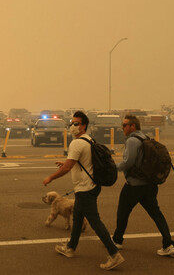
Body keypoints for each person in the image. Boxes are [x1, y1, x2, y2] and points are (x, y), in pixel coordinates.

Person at [43, 111, 124, 270]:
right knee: (77, 218)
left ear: (84, 125)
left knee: (95, 222)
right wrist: (66, 163)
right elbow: (80, 162)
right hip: (90, 187)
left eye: (76, 123)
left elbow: (68, 168)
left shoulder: (76, 143)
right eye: (72, 123)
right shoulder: (89, 140)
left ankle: (114, 254)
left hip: (86, 189)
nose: (73, 126)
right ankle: (71, 248)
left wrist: (51, 178)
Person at [112, 114, 174, 256]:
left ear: (132, 126)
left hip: (134, 185)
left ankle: (117, 241)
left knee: (122, 212)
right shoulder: (144, 138)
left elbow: (128, 162)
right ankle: (168, 244)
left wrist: (114, 168)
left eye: (124, 125)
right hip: (149, 185)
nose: (122, 128)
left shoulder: (132, 141)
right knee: (156, 214)